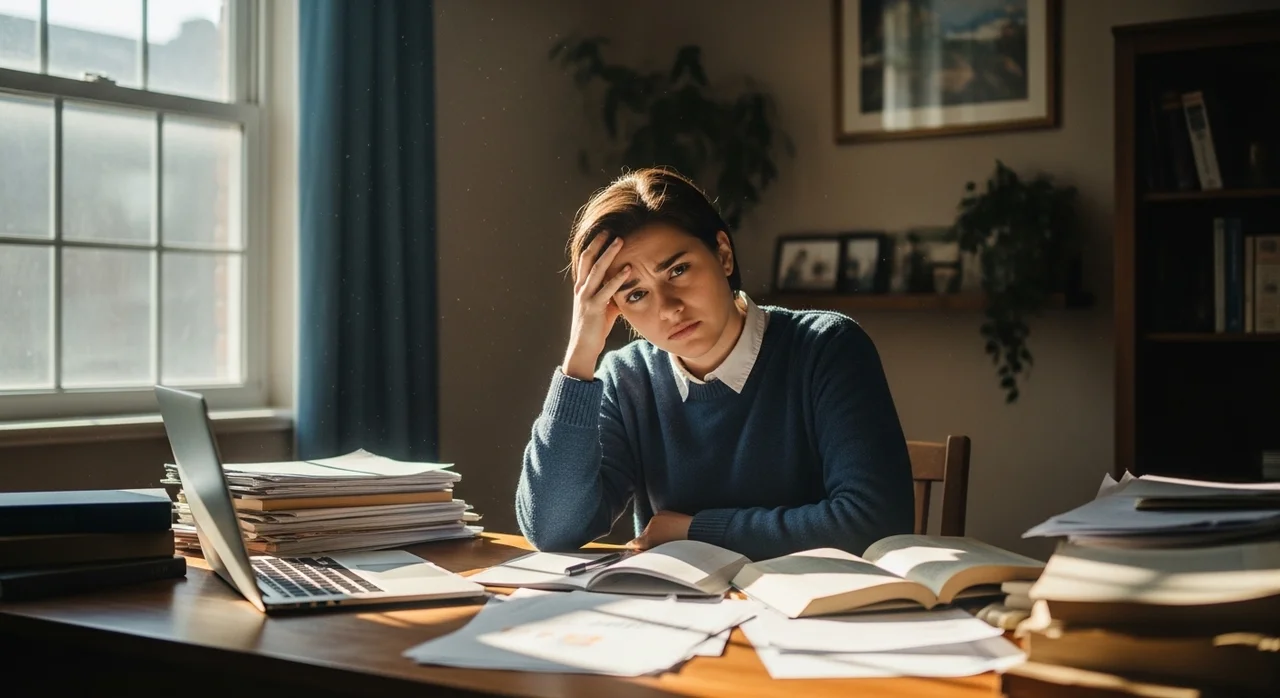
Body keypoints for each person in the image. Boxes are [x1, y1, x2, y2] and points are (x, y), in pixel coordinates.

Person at [515, 168, 914, 562]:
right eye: (636, 295)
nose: (669, 309)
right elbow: (553, 530)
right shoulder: (627, 379)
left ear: (723, 254)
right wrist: (580, 357)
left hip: (815, 615)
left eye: (678, 270)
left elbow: (876, 522)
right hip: (681, 615)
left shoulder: (826, 348)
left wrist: (693, 530)